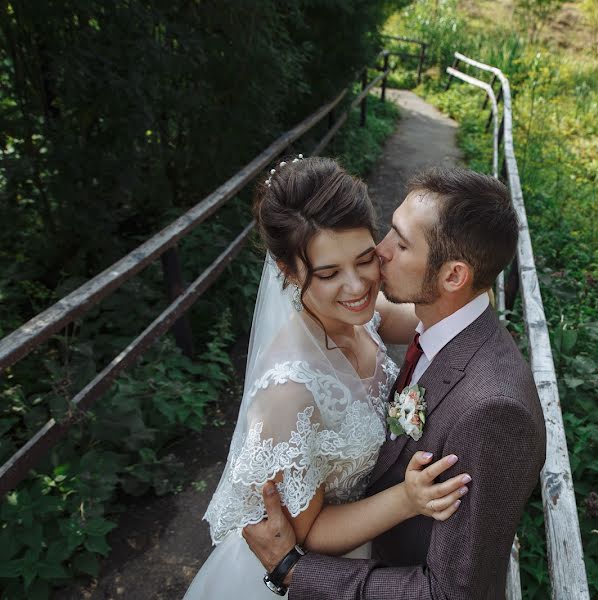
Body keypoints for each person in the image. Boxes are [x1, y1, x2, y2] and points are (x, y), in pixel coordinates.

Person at [243, 167, 547, 599]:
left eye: (399, 243)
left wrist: (295, 572)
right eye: (329, 272)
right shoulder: (415, 325)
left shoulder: (492, 410)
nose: (378, 258)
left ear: (453, 277)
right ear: (289, 272)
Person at [184, 157, 471, 599]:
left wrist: (472, 275)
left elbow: (424, 315)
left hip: (365, 550)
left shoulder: (360, 315)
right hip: (309, 576)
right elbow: (305, 534)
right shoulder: (290, 391)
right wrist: (407, 499)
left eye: (364, 260)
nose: (357, 287)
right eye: (329, 273)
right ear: (289, 272)